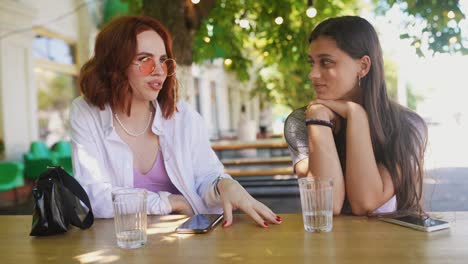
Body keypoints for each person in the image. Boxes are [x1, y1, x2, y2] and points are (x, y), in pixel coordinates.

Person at [71, 15, 281, 228]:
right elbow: (92, 196)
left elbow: (206, 176)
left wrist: (224, 185)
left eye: (163, 60)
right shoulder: (86, 113)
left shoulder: (183, 116)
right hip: (122, 246)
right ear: (115, 63)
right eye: (145, 59)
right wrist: (170, 202)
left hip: (188, 245)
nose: (159, 70)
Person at [284, 16, 427, 216]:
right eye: (312, 63)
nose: (313, 74)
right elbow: (325, 204)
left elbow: (366, 202)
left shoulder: (407, 125)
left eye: (326, 62)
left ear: (363, 66)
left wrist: (357, 116)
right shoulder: (301, 121)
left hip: (389, 244)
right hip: (325, 244)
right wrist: (317, 117)